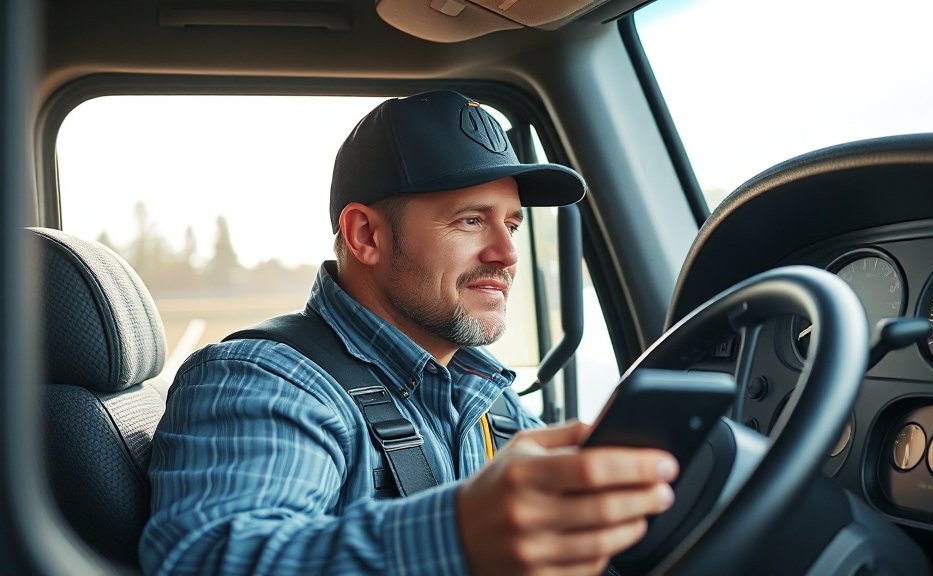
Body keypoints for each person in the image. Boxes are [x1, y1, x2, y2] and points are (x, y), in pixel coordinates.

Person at [140, 90, 679, 576]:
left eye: (511, 224)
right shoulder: (265, 380)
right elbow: (210, 559)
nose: (507, 254)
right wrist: (459, 535)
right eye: (471, 220)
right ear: (366, 235)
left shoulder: (479, 390)